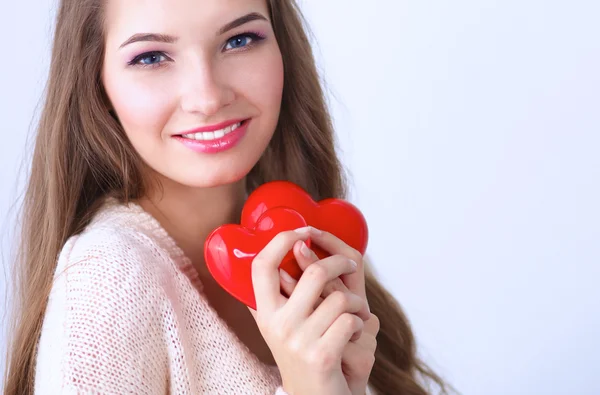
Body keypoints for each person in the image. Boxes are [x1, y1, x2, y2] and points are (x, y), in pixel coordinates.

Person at [3, 0, 451, 394]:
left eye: (239, 40)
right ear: (96, 84)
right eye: (152, 56)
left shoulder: (300, 237)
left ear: (283, 49)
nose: (208, 97)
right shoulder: (108, 280)